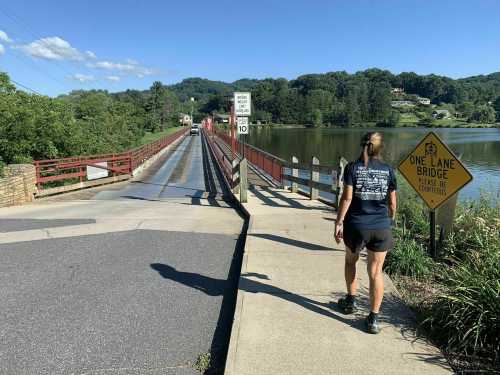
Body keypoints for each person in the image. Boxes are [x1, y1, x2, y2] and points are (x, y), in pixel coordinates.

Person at [334, 132, 397, 334]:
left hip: (356, 226)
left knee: (350, 261)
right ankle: (373, 319)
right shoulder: (388, 170)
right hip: (381, 227)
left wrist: (338, 222)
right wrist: (389, 220)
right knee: (376, 272)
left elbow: (347, 199)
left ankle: (350, 302)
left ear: (361, 145)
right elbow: (393, 203)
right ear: (380, 148)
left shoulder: (352, 168)